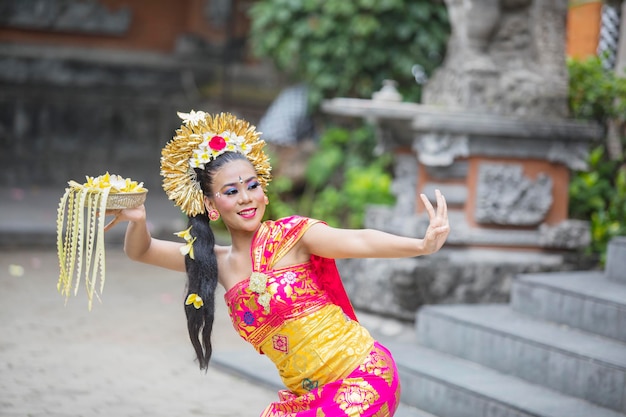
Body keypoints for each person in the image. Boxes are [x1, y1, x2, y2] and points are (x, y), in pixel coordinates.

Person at [105, 111, 450, 416]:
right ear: (211, 206)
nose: (245, 198)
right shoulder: (216, 263)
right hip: (307, 398)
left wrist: (421, 245)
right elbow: (142, 251)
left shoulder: (294, 235)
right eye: (231, 192)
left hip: (362, 376)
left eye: (252, 186)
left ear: (264, 191)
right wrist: (137, 221)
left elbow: (359, 240)